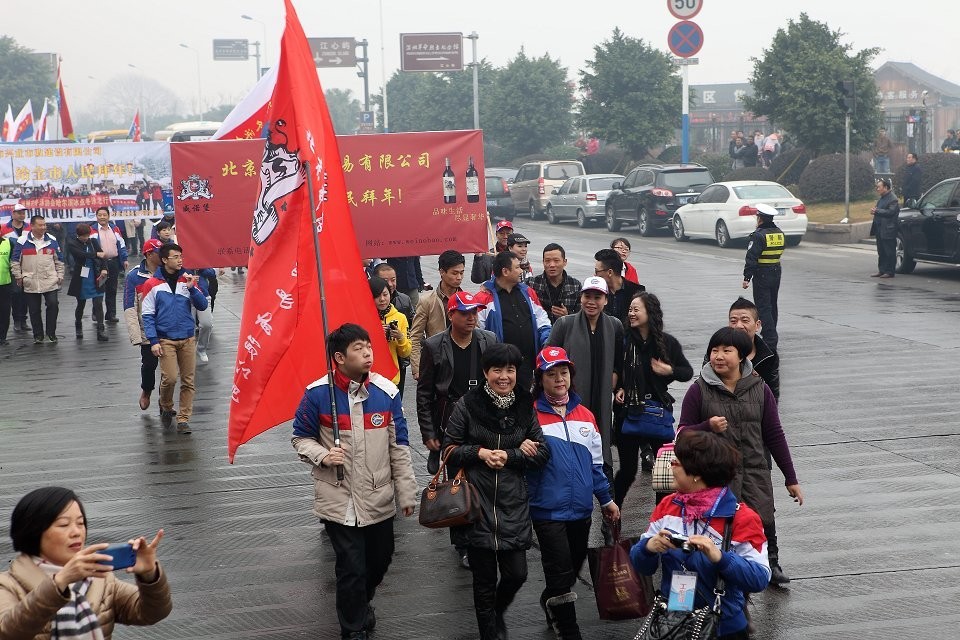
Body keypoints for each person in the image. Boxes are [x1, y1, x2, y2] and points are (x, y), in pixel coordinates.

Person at [291, 323, 418, 640]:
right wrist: (323, 455)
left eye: (369, 347)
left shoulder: (386, 393)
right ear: (339, 357)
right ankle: (353, 628)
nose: (367, 354)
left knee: (380, 560)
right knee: (351, 567)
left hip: (378, 496)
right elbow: (300, 438)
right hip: (338, 497)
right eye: (358, 349)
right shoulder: (318, 394)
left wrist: (406, 492)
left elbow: (399, 446)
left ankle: (362, 601)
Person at [679, 327, 803, 586]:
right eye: (714, 350)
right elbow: (681, 434)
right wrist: (707, 427)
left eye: (726, 350)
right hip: (715, 478)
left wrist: (790, 477)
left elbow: (774, 435)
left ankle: (770, 564)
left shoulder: (760, 389)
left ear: (742, 356)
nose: (718, 356)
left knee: (762, 520)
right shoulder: (699, 390)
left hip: (755, 472)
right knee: (719, 532)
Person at [443, 343, 550, 640]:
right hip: (475, 504)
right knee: (484, 583)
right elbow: (448, 450)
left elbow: (542, 453)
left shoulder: (525, 405)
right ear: (485, 372)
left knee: (518, 574)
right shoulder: (468, 404)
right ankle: (489, 632)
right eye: (497, 370)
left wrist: (512, 455)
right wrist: (480, 453)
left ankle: (497, 612)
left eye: (510, 370)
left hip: (512, 505)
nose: (504, 376)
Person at [630, 430, 771, 640]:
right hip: (672, 625)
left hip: (724, 628)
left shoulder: (742, 518)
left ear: (696, 473)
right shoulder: (667, 507)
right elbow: (642, 566)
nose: (670, 467)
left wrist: (721, 558)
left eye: (676, 463)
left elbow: (759, 578)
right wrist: (648, 548)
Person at [529, 346, 620, 639]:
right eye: (551, 374)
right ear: (540, 379)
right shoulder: (530, 417)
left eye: (564, 372)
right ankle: (569, 629)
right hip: (546, 509)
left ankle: (551, 599)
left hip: (581, 509)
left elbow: (596, 465)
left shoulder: (586, 416)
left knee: (571, 567)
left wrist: (606, 500)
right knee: (558, 569)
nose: (559, 379)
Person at [0, 486, 172, 639]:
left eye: (81, 523)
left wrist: (149, 575)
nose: (76, 532)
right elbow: (7, 633)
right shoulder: (7, 585)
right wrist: (59, 582)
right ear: (33, 531)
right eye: (63, 524)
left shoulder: (101, 579)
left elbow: (152, 613)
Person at [417, 291, 497, 569]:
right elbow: (424, 393)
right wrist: (429, 432)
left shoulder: (488, 340)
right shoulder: (434, 345)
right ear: (451, 315)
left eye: (475, 312)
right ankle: (463, 543)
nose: (471, 317)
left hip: (485, 420)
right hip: (451, 422)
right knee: (458, 483)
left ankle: (486, 534)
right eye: (465, 313)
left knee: (486, 480)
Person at [614, 292, 693, 504]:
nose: (631, 314)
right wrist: (620, 388)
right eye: (630, 310)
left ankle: (662, 516)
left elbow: (687, 372)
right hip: (628, 412)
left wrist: (669, 370)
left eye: (636, 309)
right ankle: (613, 513)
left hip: (656, 412)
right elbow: (615, 370)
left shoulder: (667, 343)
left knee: (664, 472)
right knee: (628, 471)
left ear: (650, 313)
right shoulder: (623, 341)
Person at [546, 276, 624, 484]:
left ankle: (606, 495)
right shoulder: (565, 324)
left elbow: (620, 360)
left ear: (605, 300)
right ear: (580, 298)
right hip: (571, 400)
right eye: (587, 296)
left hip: (602, 398)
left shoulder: (614, 325)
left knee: (601, 443)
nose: (591, 302)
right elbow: (547, 359)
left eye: (597, 297)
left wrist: (617, 377)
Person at [141, 243, 209, 435]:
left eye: (181, 256)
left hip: (187, 337)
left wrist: (192, 288)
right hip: (165, 339)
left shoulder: (186, 279)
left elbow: (202, 305)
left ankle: (183, 418)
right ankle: (166, 404)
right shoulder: (152, 284)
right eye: (175, 257)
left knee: (188, 381)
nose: (180, 260)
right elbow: (147, 315)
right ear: (164, 260)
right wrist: (153, 341)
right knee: (170, 378)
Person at [475, 251, 552, 392]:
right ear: (505, 271)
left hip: (527, 365)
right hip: (501, 368)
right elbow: (478, 333)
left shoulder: (528, 292)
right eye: (517, 267)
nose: (521, 271)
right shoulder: (484, 298)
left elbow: (542, 319)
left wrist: (546, 340)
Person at [410, 249, 465, 380]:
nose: (459, 277)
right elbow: (416, 337)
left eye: (462, 273)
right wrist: (417, 368)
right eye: (454, 273)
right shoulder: (427, 301)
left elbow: (476, 331)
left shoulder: (466, 300)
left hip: (463, 361)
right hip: (437, 362)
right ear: (442, 272)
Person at [124, 238, 164, 411]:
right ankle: (146, 391)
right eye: (159, 253)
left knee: (169, 369)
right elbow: (129, 306)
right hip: (147, 330)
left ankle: (165, 400)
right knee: (149, 365)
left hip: (168, 328)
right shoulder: (134, 276)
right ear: (149, 254)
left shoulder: (168, 272)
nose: (163, 256)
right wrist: (135, 335)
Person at [11, 215, 64, 344]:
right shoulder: (22, 241)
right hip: (30, 280)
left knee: (53, 304)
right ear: (32, 226)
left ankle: (51, 334)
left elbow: (59, 260)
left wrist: (60, 275)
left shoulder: (52, 240)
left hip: (50, 279)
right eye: (40, 225)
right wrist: (18, 276)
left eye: (44, 225)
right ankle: (38, 335)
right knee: (34, 310)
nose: (43, 227)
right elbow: (15, 261)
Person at [742, 203, 784, 353]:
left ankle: (770, 340)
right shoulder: (779, 233)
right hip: (776, 272)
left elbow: (751, 257)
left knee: (763, 307)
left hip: (762, 274)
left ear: (760, 219)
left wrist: (747, 277)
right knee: (772, 305)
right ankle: (770, 335)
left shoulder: (758, 235)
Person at [724, 297, 780, 400]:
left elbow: (772, 396)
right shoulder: (717, 353)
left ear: (757, 325)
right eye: (733, 321)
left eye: (745, 320)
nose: (739, 326)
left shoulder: (769, 356)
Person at [66, 223, 109, 342]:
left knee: (98, 303)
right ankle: (78, 325)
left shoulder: (93, 242)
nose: (86, 238)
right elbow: (80, 254)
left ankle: (101, 329)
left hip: (95, 275)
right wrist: (95, 254)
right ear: (78, 235)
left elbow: (102, 256)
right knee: (81, 304)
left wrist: (104, 268)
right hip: (82, 277)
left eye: (87, 235)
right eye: (83, 236)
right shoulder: (72, 243)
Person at [368, 275, 412, 390]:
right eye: (377, 296)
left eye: (385, 294)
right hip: (368, 378)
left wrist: (401, 338)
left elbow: (406, 353)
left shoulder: (400, 317)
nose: (382, 299)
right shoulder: (364, 318)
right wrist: (375, 336)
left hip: (392, 379)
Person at [89, 206, 129, 324]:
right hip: (98, 264)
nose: (102, 217)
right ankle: (96, 312)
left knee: (112, 289)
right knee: (99, 288)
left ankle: (111, 314)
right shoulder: (92, 230)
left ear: (108, 216)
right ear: (96, 216)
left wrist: (125, 259)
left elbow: (121, 244)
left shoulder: (115, 228)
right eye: (100, 215)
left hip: (113, 262)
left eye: (104, 215)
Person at [529, 242, 581, 324]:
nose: (552, 265)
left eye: (556, 261)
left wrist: (567, 316)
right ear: (543, 262)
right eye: (547, 261)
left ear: (564, 262)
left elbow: (582, 316)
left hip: (566, 329)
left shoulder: (575, 285)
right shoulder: (531, 283)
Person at [594, 248, 644, 330]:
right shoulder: (596, 292)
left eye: (597, 271)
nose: (594, 275)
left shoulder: (636, 292)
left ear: (610, 272)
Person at [1, 203, 30, 333]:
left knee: (26, 294)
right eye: (19, 213)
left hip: (28, 264)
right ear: (13, 214)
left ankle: (23, 319)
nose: (22, 215)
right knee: (16, 293)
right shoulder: (4, 228)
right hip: (12, 265)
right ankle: (17, 320)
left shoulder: (29, 227)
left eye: (23, 213)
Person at [870, 178, 900, 279]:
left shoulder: (893, 199)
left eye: (879, 187)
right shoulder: (882, 198)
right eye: (877, 187)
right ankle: (882, 270)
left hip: (888, 229)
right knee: (881, 251)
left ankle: (890, 271)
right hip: (879, 228)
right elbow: (879, 209)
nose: (877, 189)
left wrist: (877, 211)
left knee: (889, 251)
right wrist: (874, 210)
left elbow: (890, 212)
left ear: (886, 187)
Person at [471, 219, 512, 284]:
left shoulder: (517, 254)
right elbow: (477, 279)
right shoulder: (488, 255)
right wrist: (478, 257)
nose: (505, 236)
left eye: (508, 234)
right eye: (501, 233)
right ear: (496, 235)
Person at [0, 231, 12, 345]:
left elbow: (14, 261)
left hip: (5, 284)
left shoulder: (8, 243)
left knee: (4, 312)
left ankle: (2, 337)